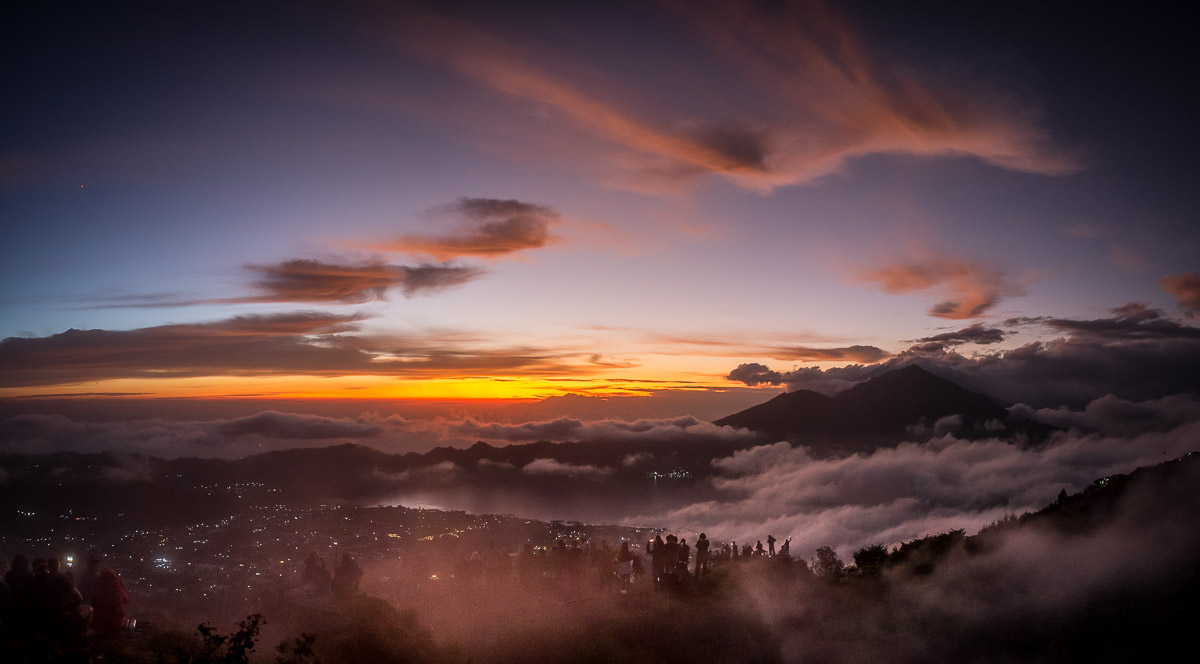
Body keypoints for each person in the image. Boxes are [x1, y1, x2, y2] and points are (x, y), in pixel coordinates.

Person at [91, 569, 129, 635]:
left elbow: (94, 603)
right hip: (116, 623)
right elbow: (126, 601)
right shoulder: (117, 588)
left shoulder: (98, 588)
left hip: (99, 623)